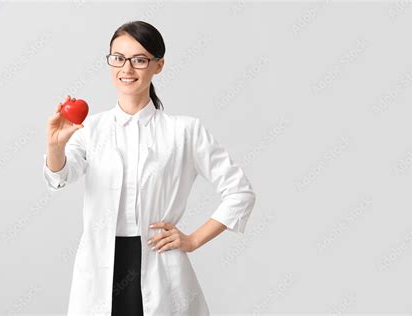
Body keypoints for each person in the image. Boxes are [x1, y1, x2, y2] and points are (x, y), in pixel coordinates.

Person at [43, 20, 256, 315]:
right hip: (100, 265)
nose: (126, 69)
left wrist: (193, 240)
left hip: (159, 263)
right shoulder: (90, 128)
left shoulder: (185, 131)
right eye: (118, 58)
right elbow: (61, 176)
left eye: (139, 59)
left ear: (159, 65)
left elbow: (240, 193)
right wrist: (55, 144)